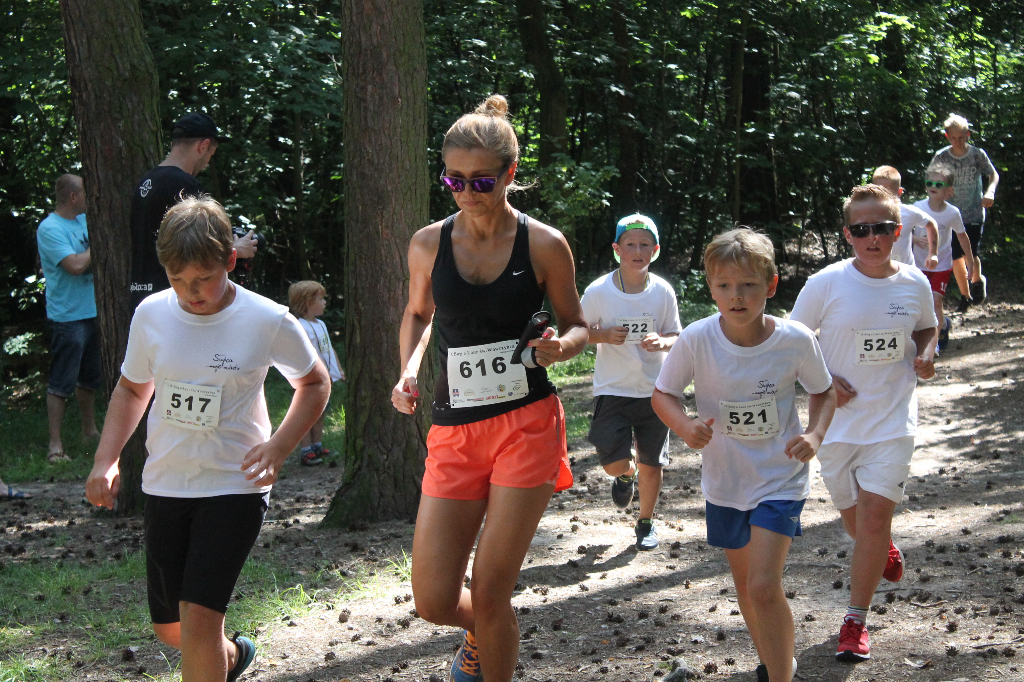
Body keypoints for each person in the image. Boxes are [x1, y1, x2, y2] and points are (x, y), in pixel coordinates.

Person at [85, 197, 330, 682]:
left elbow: (315, 382)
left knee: (199, 622)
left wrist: (280, 445)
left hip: (234, 484)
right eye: (177, 279)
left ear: (230, 260)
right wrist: (105, 459)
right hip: (167, 482)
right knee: (171, 629)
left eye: (202, 278)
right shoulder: (152, 313)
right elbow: (133, 389)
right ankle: (232, 657)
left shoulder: (267, 319)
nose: (189, 292)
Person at [390, 94, 587, 682]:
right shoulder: (428, 243)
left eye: (481, 181)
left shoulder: (544, 244)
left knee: (492, 592)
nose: (467, 192)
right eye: (454, 180)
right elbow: (418, 314)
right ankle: (485, 635)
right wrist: (406, 369)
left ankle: (491, 647)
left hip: (527, 423)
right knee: (433, 600)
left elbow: (577, 323)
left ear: (509, 173)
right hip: (455, 427)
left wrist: (564, 346)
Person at [652, 228, 836, 682]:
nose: (737, 296)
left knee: (763, 584)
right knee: (747, 588)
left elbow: (824, 391)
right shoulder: (697, 338)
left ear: (771, 286)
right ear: (711, 288)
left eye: (749, 285)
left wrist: (814, 435)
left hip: (780, 477)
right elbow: (663, 394)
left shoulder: (795, 339)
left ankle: (780, 676)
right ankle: (777, 662)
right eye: (725, 285)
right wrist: (684, 426)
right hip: (726, 481)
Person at [790, 184, 937, 663]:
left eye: (882, 228)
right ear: (848, 234)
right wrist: (824, 379)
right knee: (856, 523)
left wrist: (928, 352)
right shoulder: (826, 283)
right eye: (861, 229)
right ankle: (882, 548)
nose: (872, 238)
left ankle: (855, 620)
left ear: (898, 231)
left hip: (893, 420)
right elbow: (793, 339)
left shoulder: (913, 282)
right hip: (836, 425)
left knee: (874, 519)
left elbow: (927, 325)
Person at [580, 214, 681, 550]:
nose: (638, 251)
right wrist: (604, 335)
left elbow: (676, 335)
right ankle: (625, 473)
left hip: (655, 390)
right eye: (631, 244)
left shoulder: (663, 291)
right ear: (617, 249)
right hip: (613, 389)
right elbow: (577, 331)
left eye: (645, 245)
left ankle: (646, 523)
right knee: (612, 463)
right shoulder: (599, 291)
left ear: (656, 250)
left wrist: (662, 342)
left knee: (653, 462)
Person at [129, 112, 258, 308]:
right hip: (174, 297)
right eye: (210, 155)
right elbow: (198, 248)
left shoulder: (144, 183)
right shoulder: (184, 185)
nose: (206, 162)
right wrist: (235, 251)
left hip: (141, 296)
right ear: (203, 146)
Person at [36, 173, 102, 463]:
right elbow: (74, 265)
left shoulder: (84, 221)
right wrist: (97, 245)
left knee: (89, 378)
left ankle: (90, 431)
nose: (90, 197)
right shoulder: (50, 228)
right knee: (62, 380)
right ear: (73, 197)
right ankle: (55, 445)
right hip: (68, 317)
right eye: (85, 192)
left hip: (93, 311)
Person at [930, 114, 999, 311]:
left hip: (974, 212)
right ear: (947, 137)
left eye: (961, 137)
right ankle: (965, 295)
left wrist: (990, 191)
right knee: (955, 256)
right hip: (950, 214)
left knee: (971, 253)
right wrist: (940, 190)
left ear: (968, 135)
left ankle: (977, 280)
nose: (958, 141)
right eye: (953, 138)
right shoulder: (941, 156)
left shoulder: (977, 154)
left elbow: (993, 174)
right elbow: (931, 180)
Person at [911, 165, 973, 353]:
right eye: (930, 183)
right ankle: (943, 324)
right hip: (918, 264)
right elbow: (902, 230)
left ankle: (933, 344)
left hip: (942, 265)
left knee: (936, 302)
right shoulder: (917, 207)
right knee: (920, 303)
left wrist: (970, 262)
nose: (933, 186)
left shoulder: (952, 213)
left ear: (948, 191)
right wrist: (914, 239)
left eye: (939, 184)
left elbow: (962, 236)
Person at [288, 280, 345, 466]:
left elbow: (328, 349)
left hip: (325, 378)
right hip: (309, 379)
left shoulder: (321, 324)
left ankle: (317, 445)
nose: (325, 302)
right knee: (306, 414)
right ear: (308, 302)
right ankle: (305, 450)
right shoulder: (300, 326)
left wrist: (338, 369)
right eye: (321, 299)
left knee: (321, 411)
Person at [870, 166, 938, 272]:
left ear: (899, 192)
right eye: (879, 192)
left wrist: (933, 254)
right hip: (877, 271)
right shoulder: (867, 214)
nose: (883, 197)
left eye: (889, 192)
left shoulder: (908, 213)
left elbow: (931, 224)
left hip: (906, 271)